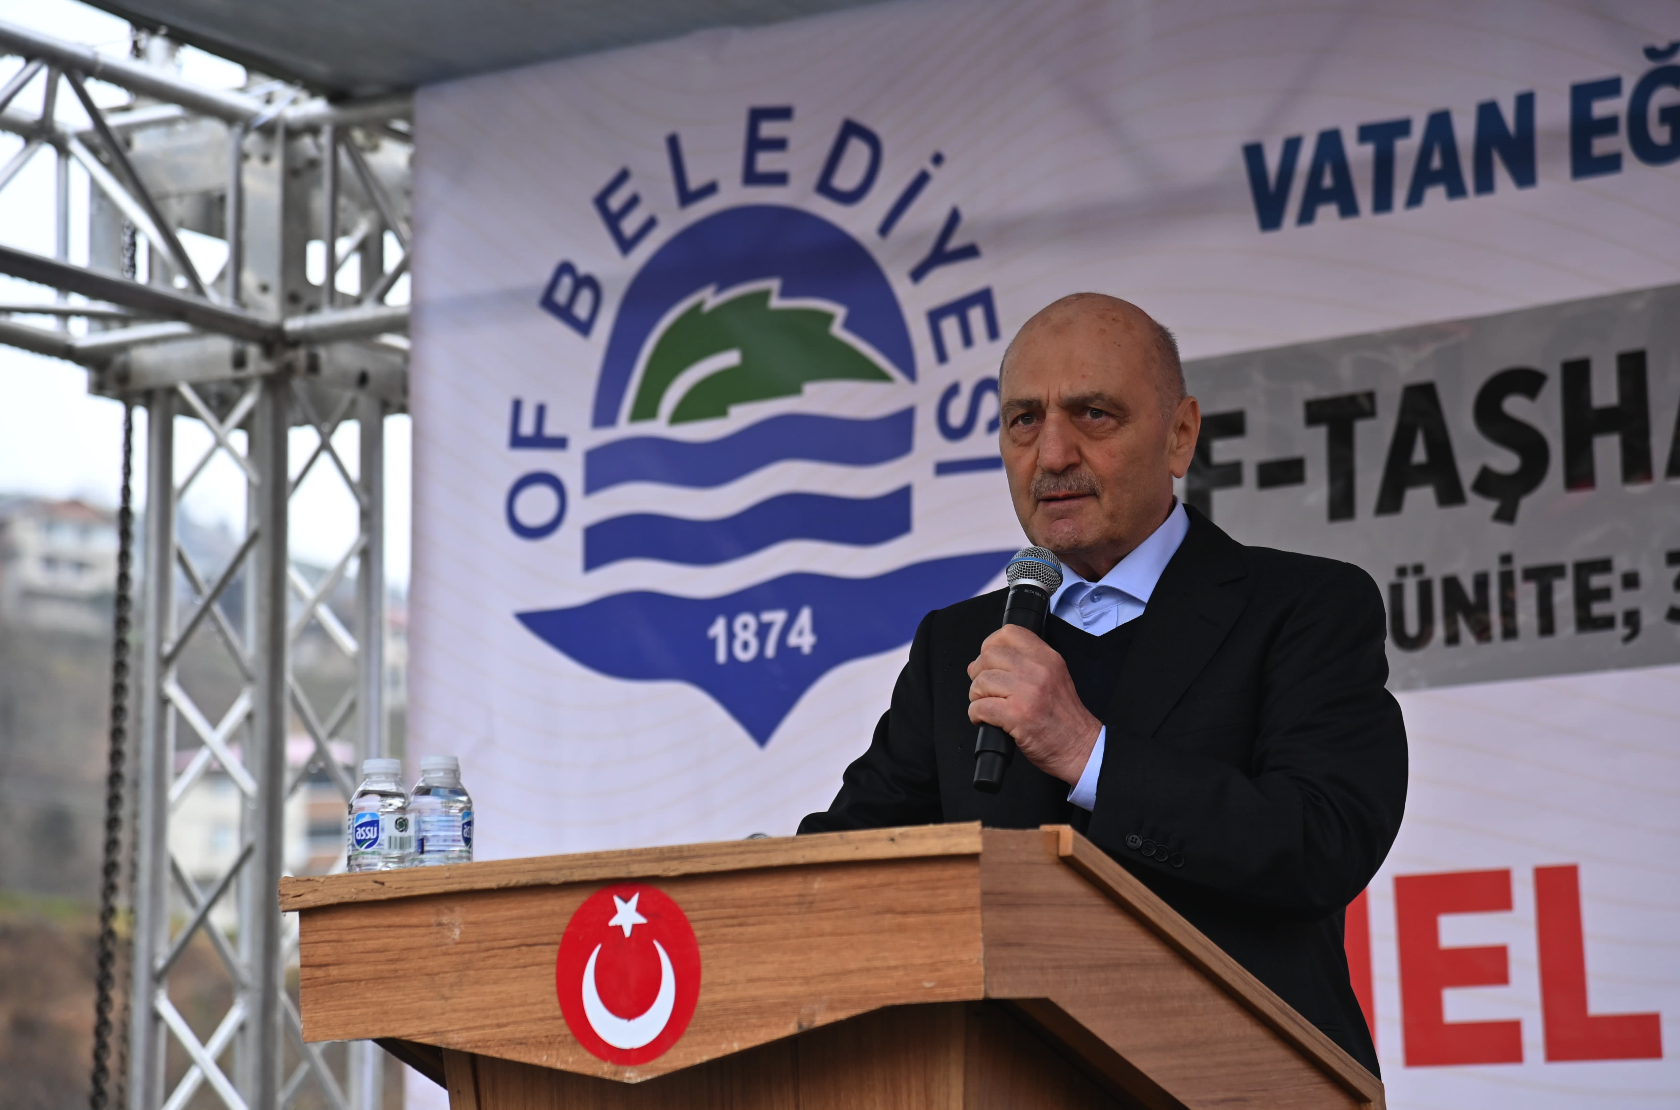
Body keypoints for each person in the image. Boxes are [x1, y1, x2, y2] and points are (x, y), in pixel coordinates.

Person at [799, 292, 1406, 1076]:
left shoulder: (1305, 607)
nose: (1052, 454)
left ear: (1180, 435)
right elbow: (853, 862)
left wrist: (1087, 753)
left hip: (1238, 1082)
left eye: (1092, 414)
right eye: (1024, 420)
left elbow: (1322, 844)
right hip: (1005, 1080)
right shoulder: (958, 644)